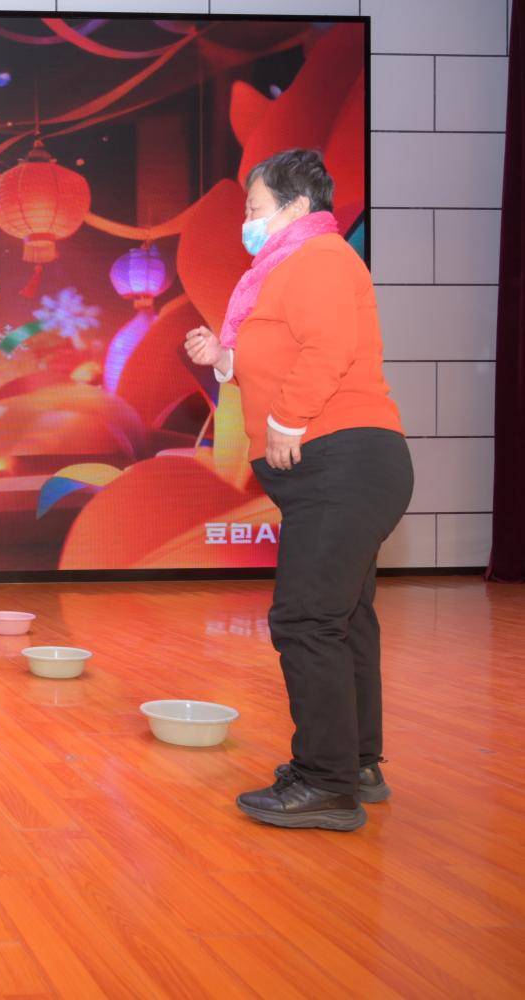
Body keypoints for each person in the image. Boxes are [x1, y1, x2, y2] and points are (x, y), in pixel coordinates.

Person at [184, 149, 412, 832]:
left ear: (296, 206)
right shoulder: (281, 271)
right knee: (343, 618)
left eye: (254, 208)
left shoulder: (320, 258)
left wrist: (287, 422)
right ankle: (356, 764)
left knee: (306, 621)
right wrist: (223, 357)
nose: (247, 221)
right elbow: (273, 354)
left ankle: (325, 783)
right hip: (345, 464)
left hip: (343, 458)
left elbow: (328, 348)